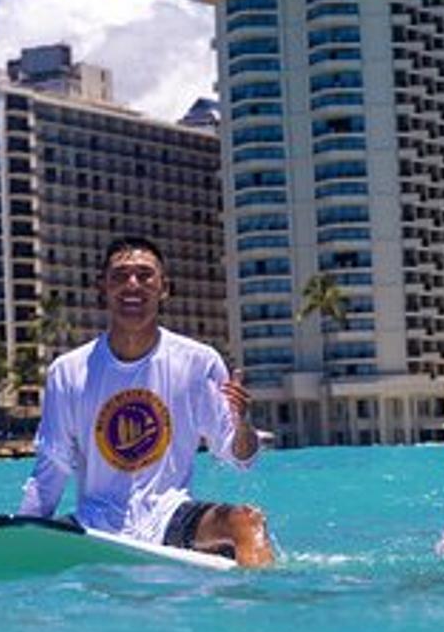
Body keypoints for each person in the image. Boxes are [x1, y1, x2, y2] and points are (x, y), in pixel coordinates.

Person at [18, 236, 272, 566]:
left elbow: (240, 458)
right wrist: (20, 536)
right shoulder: (67, 372)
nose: (132, 285)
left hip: (169, 516)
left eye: (144, 275)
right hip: (94, 526)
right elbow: (50, 472)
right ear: (103, 287)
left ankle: (266, 599)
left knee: (247, 521)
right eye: (120, 276)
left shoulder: (198, 362)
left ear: (164, 288)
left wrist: (242, 424)